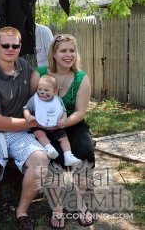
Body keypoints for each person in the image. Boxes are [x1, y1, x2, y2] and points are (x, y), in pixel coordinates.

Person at [0, 26, 49, 230]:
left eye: (15, 45)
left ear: (20, 47)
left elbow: (38, 88)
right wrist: (34, 122)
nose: (10, 49)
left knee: (40, 160)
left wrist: (45, 104)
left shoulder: (23, 66)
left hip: (18, 133)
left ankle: (21, 212)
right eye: (5, 45)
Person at [37, 34, 95, 228]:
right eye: (63, 50)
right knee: (52, 158)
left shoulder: (81, 77)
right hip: (45, 128)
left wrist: (62, 123)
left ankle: (80, 204)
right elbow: (32, 102)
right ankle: (57, 207)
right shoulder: (40, 73)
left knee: (85, 152)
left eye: (72, 50)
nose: (68, 54)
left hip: (72, 124)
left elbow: (79, 112)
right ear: (53, 53)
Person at [23, 74, 82, 166]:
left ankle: (68, 156)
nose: (42, 92)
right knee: (39, 134)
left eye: (46, 90)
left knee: (64, 139)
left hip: (56, 126)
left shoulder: (58, 100)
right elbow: (26, 108)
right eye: (40, 90)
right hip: (40, 125)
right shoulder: (34, 100)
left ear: (54, 91)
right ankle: (49, 148)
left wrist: (63, 120)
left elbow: (64, 112)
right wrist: (28, 116)